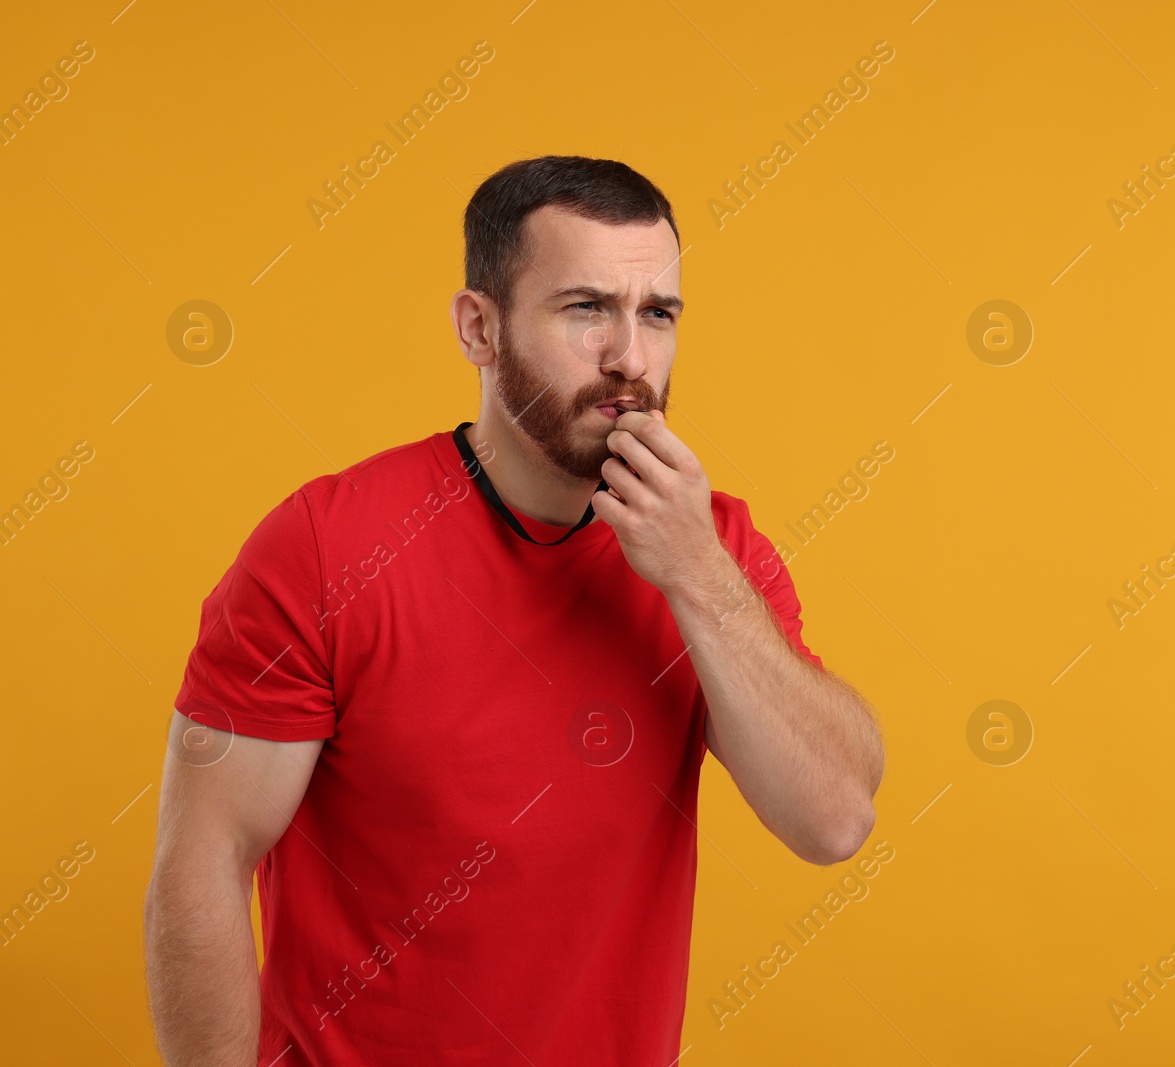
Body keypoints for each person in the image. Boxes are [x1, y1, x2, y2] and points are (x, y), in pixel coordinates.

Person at [143, 155, 886, 1066]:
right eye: (585, 309)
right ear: (479, 329)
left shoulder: (712, 549)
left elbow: (835, 820)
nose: (631, 357)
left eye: (656, 314)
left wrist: (697, 576)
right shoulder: (325, 545)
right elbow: (203, 859)